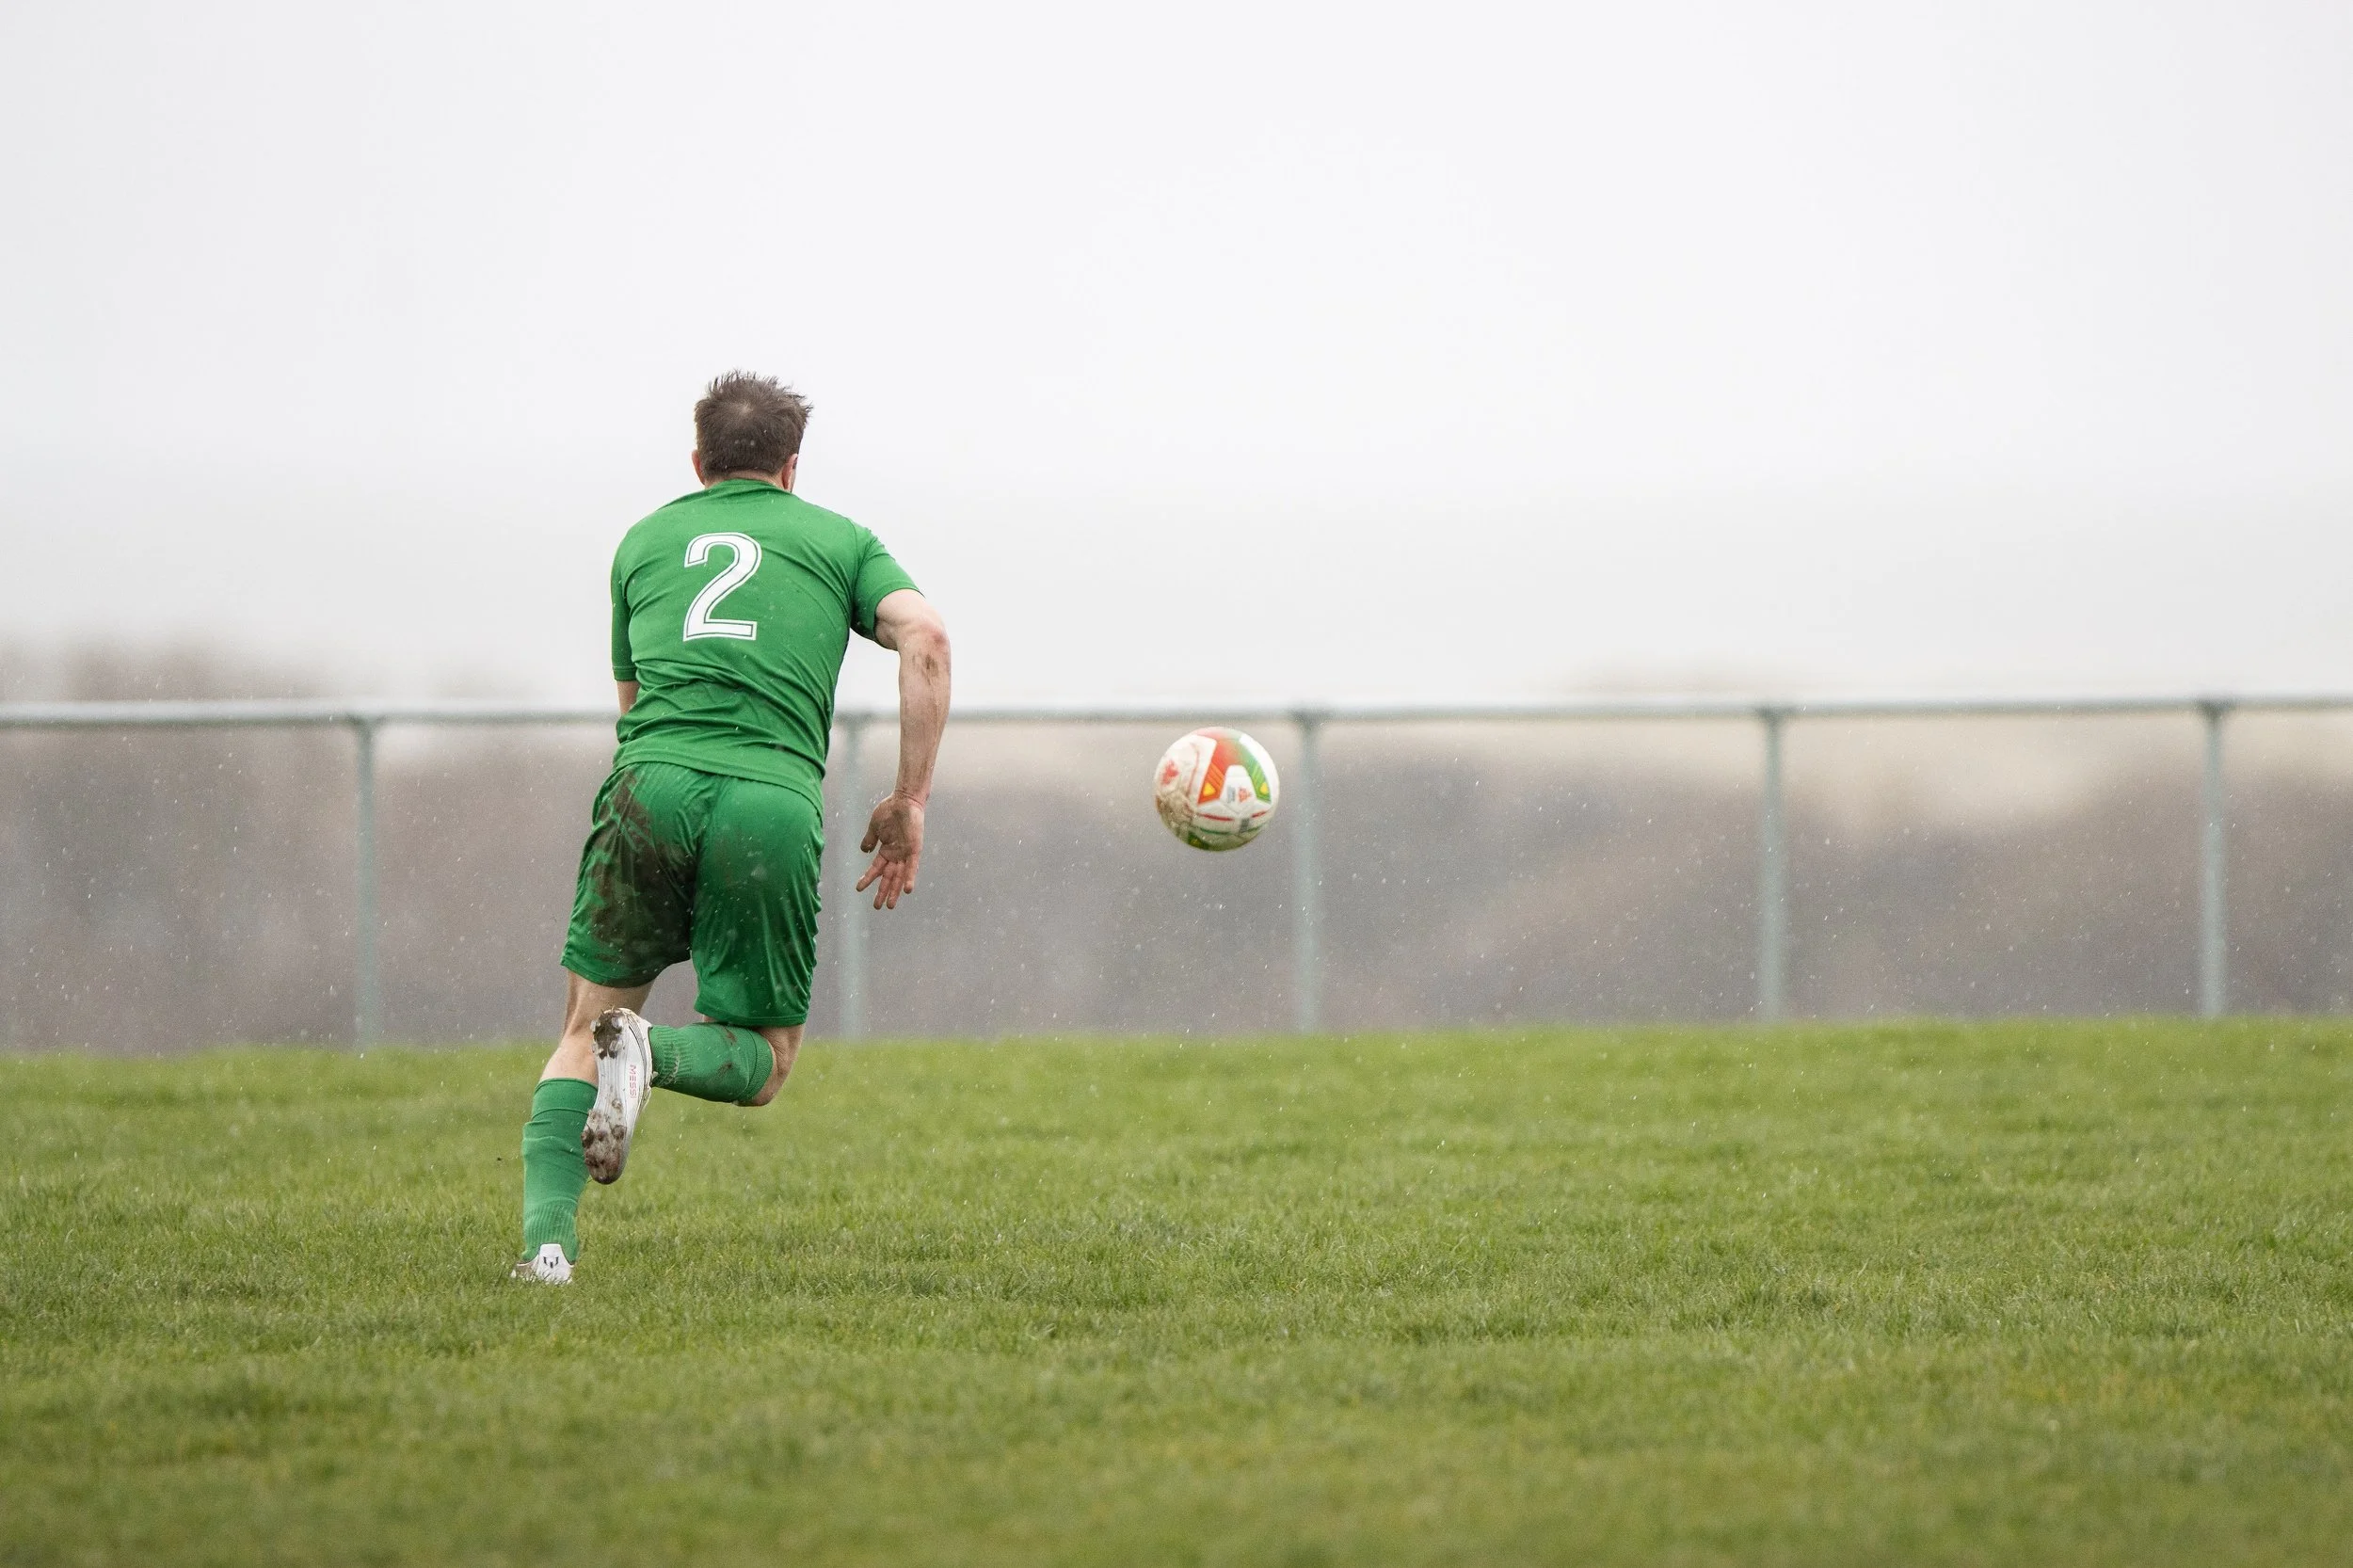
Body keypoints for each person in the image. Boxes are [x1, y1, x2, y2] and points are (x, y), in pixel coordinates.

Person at [512, 371, 951, 1283]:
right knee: (766, 1059)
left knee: (583, 1022)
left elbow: (630, 705)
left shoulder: (643, 541)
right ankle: (656, 1054)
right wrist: (908, 799)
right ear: (792, 468)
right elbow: (927, 639)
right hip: (768, 803)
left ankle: (547, 1248)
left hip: (650, 783)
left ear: (698, 459)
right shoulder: (839, 540)